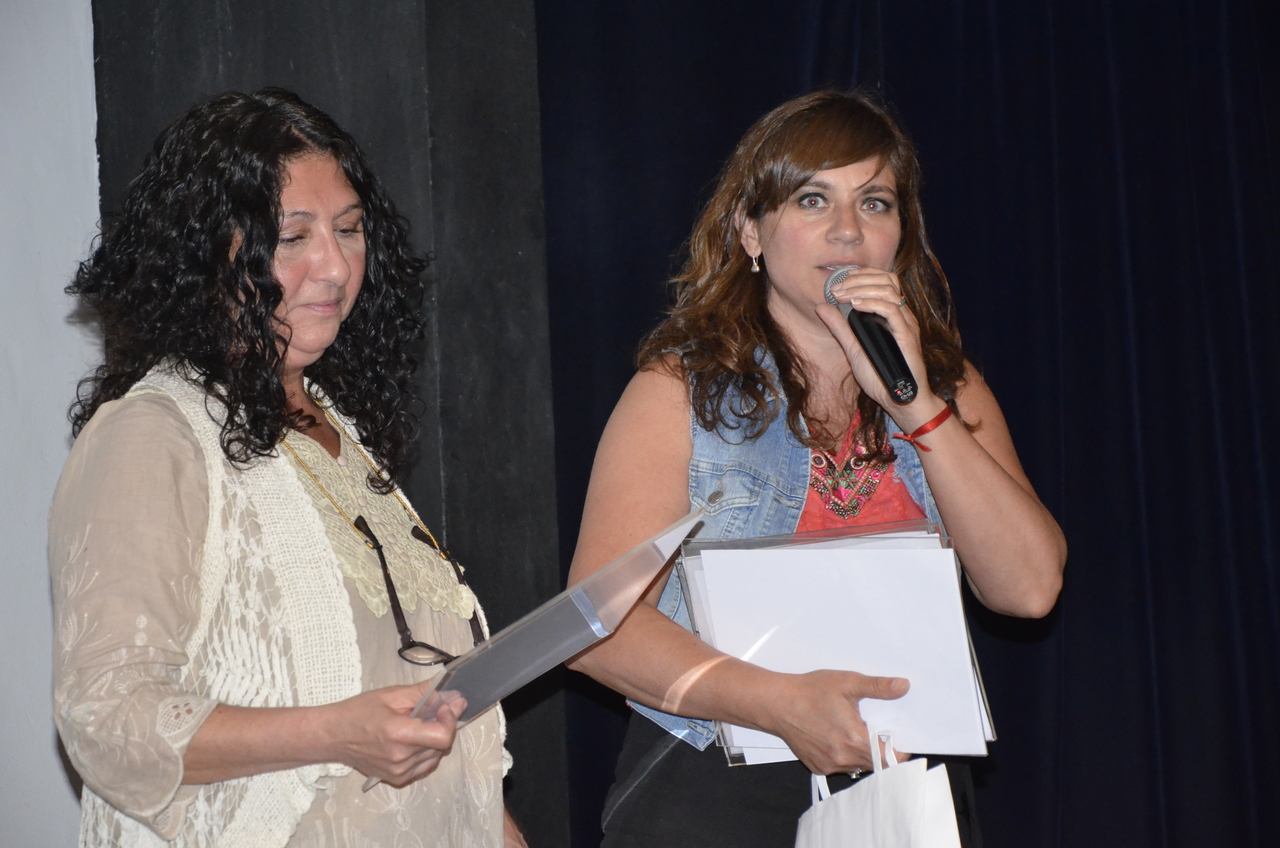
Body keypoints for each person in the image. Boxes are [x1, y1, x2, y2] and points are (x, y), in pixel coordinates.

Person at [566, 89, 1067, 847]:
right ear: (751, 231)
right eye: (812, 199)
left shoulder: (946, 389)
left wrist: (915, 407)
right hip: (716, 782)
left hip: (903, 786)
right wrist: (778, 703)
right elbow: (596, 628)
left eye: (874, 203)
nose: (847, 230)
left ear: (901, 234)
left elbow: (1029, 590)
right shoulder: (678, 391)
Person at [50, 88, 527, 848]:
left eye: (349, 229)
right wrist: (334, 732)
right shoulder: (152, 434)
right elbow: (107, 717)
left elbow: (431, 718)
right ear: (207, 255)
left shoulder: (340, 430)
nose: (335, 265)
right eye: (293, 236)